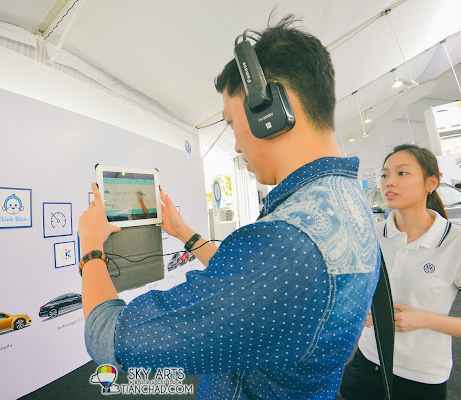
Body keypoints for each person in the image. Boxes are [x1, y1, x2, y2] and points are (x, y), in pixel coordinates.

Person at [79, 15, 380, 399]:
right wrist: (185, 234)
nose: (236, 146)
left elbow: (110, 336)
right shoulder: (344, 200)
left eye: (232, 122)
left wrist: (90, 251)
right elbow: (249, 282)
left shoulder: (288, 244)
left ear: (269, 109)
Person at [339, 144, 461, 400]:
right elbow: (352, 289)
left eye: (402, 173)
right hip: (367, 361)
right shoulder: (371, 234)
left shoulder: (454, 242)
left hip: (422, 377)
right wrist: (358, 308)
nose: (389, 182)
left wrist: (426, 320)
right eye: (384, 175)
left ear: (431, 183)